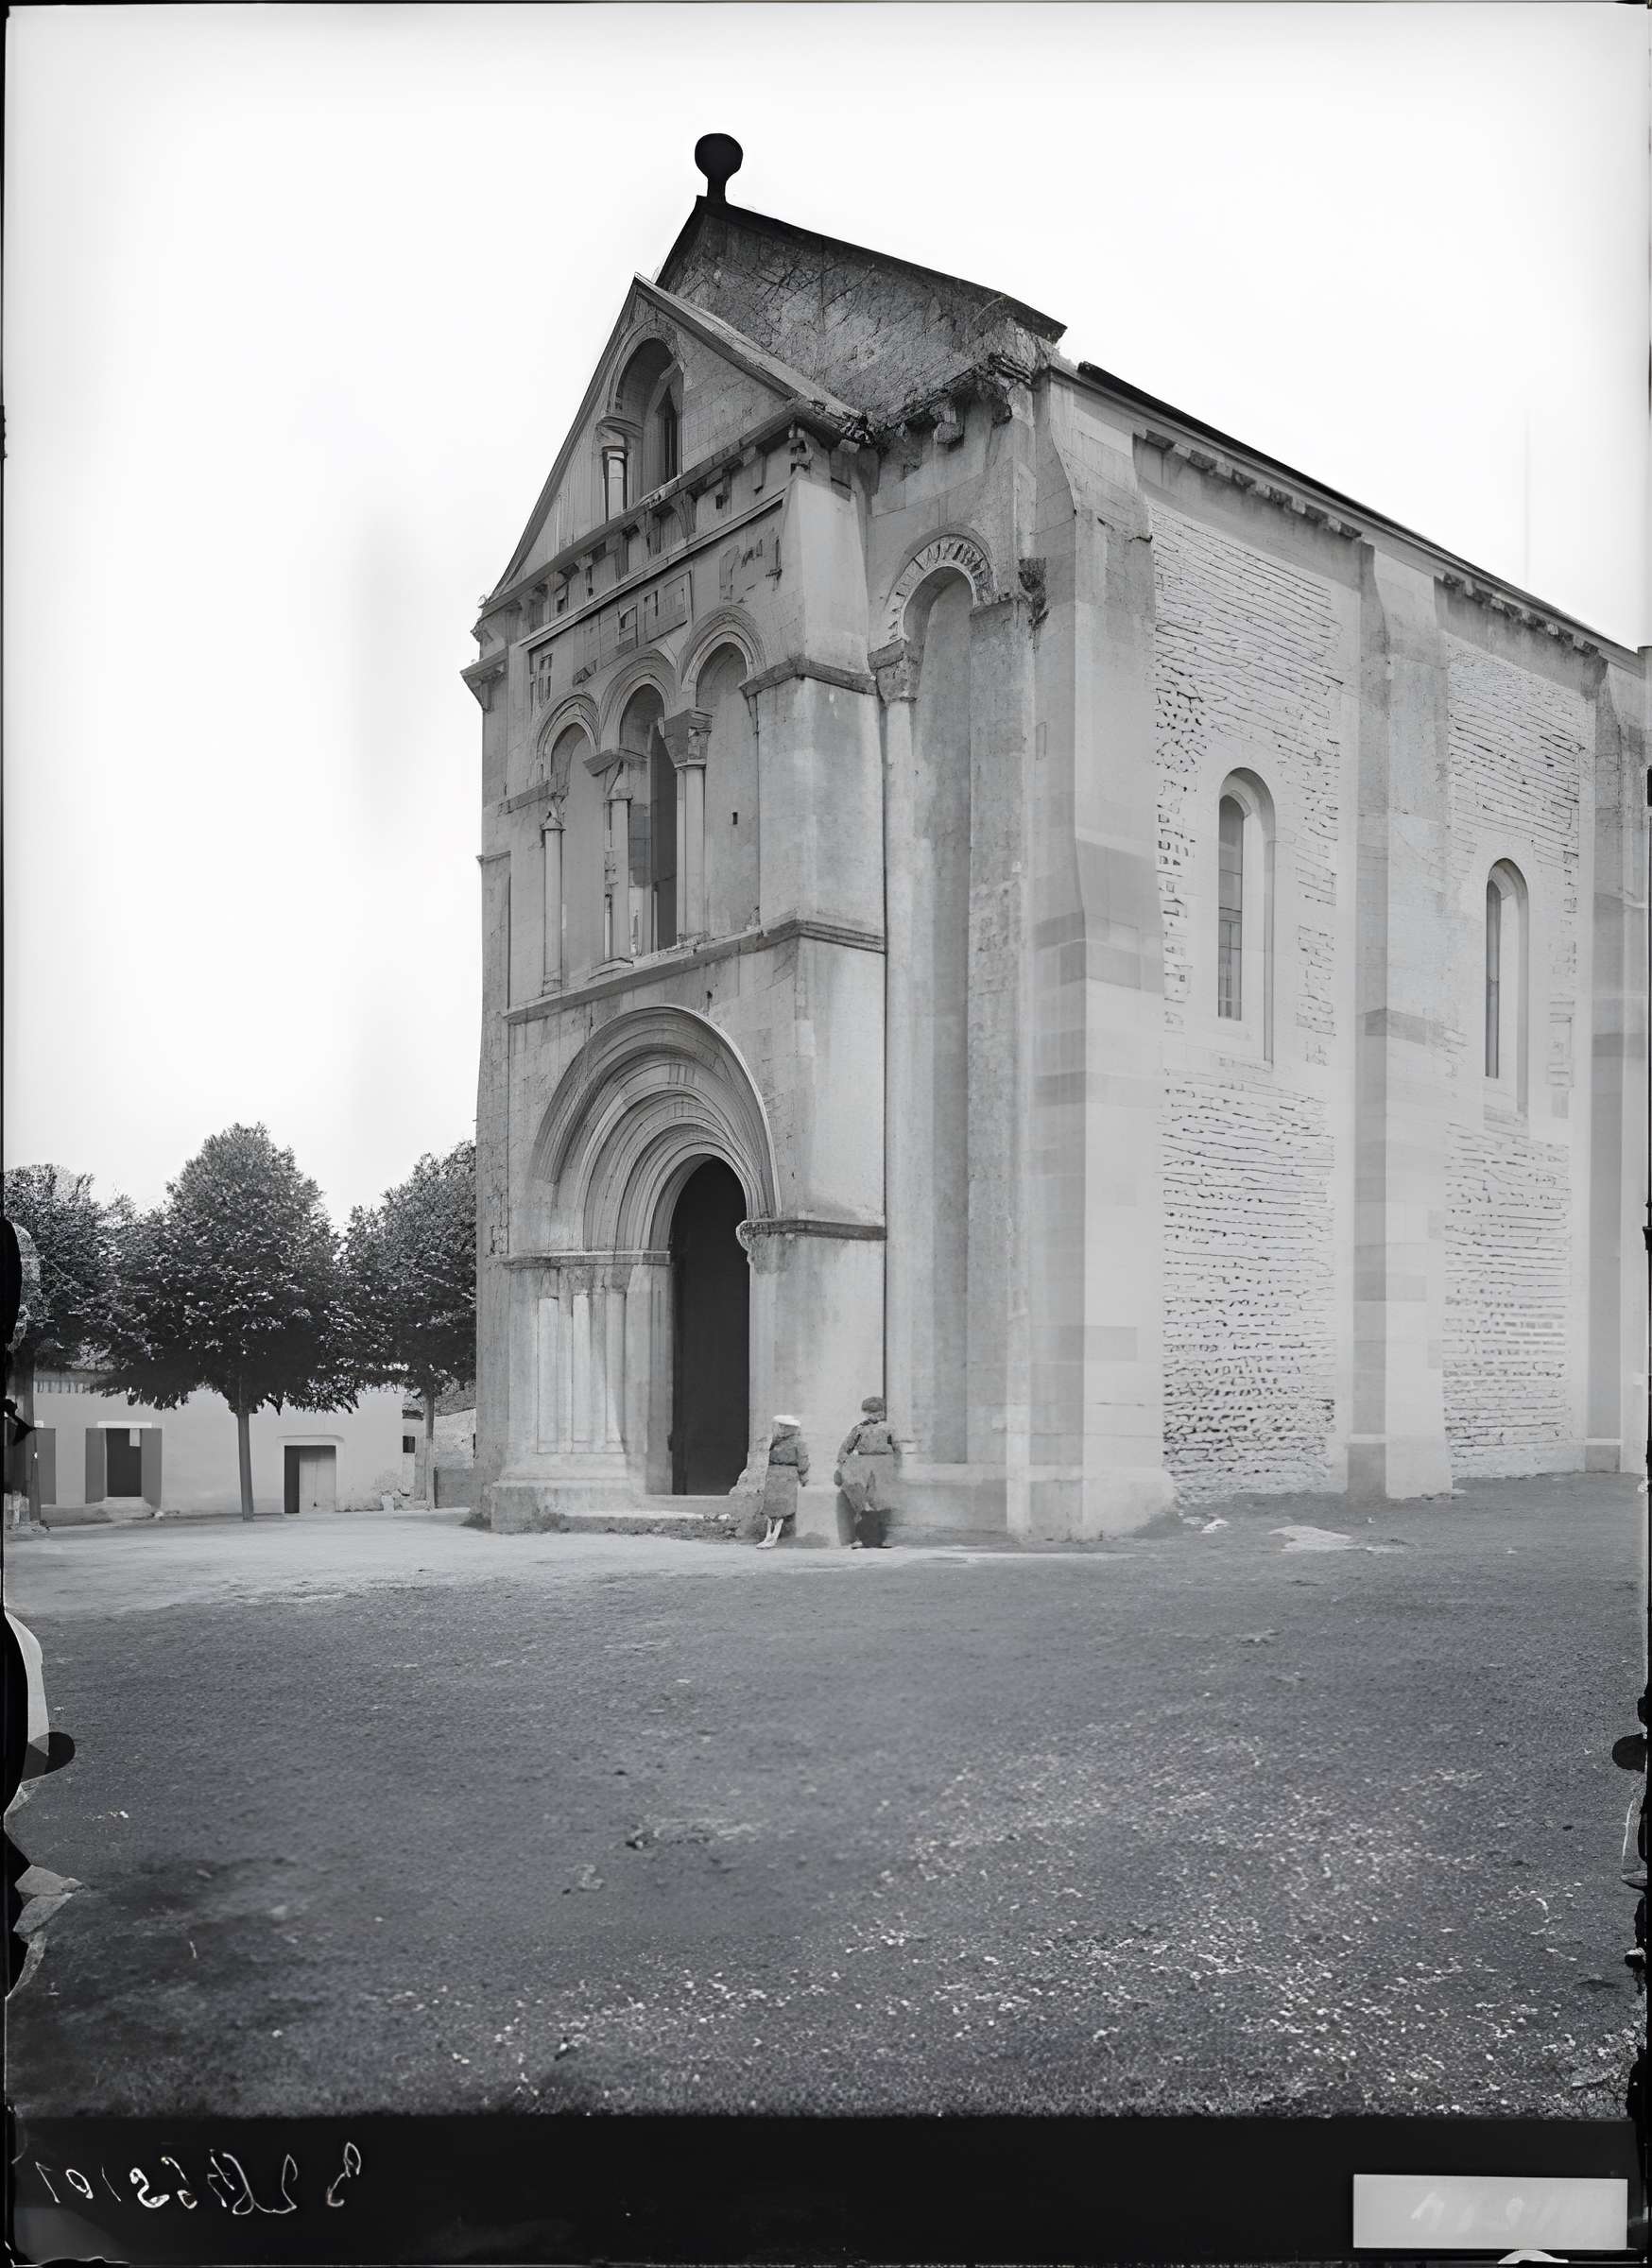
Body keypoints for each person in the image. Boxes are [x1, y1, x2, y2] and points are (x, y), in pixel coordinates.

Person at [835, 1395, 900, 1548]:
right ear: (865, 1413)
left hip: (884, 1465)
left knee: (883, 1502)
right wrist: (843, 1465)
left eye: (877, 1412)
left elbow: (896, 1449)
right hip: (863, 1466)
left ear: (882, 1413)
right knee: (861, 1504)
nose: (874, 1416)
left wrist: (896, 1466)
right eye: (870, 1412)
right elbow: (845, 1448)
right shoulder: (859, 1429)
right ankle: (861, 1538)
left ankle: (882, 1538)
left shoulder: (888, 1430)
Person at [757, 1415, 809, 1548]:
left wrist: (803, 1477)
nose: (782, 1429)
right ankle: (768, 1535)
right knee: (770, 1505)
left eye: (785, 1427)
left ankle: (774, 1536)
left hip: (787, 1474)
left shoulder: (799, 1443)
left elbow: (803, 1461)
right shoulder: (776, 1441)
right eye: (781, 1426)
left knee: (782, 1507)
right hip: (773, 1473)